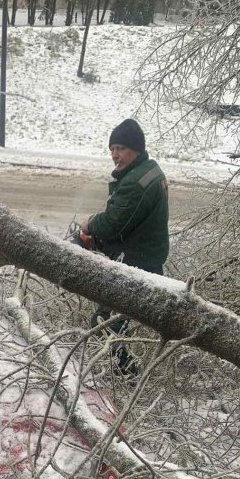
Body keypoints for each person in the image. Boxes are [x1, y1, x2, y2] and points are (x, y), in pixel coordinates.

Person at [73, 118, 169, 375]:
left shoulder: (136, 183)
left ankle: (125, 376)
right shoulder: (149, 170)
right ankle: (123, 370)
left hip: (135, 263)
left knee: (106, 323)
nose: (115, 155)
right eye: (112, 149)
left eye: (121, 149)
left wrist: (90, 224)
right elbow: (129, 222)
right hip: (144, 257)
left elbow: (113, 224)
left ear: (136, 149)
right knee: (117, 322)